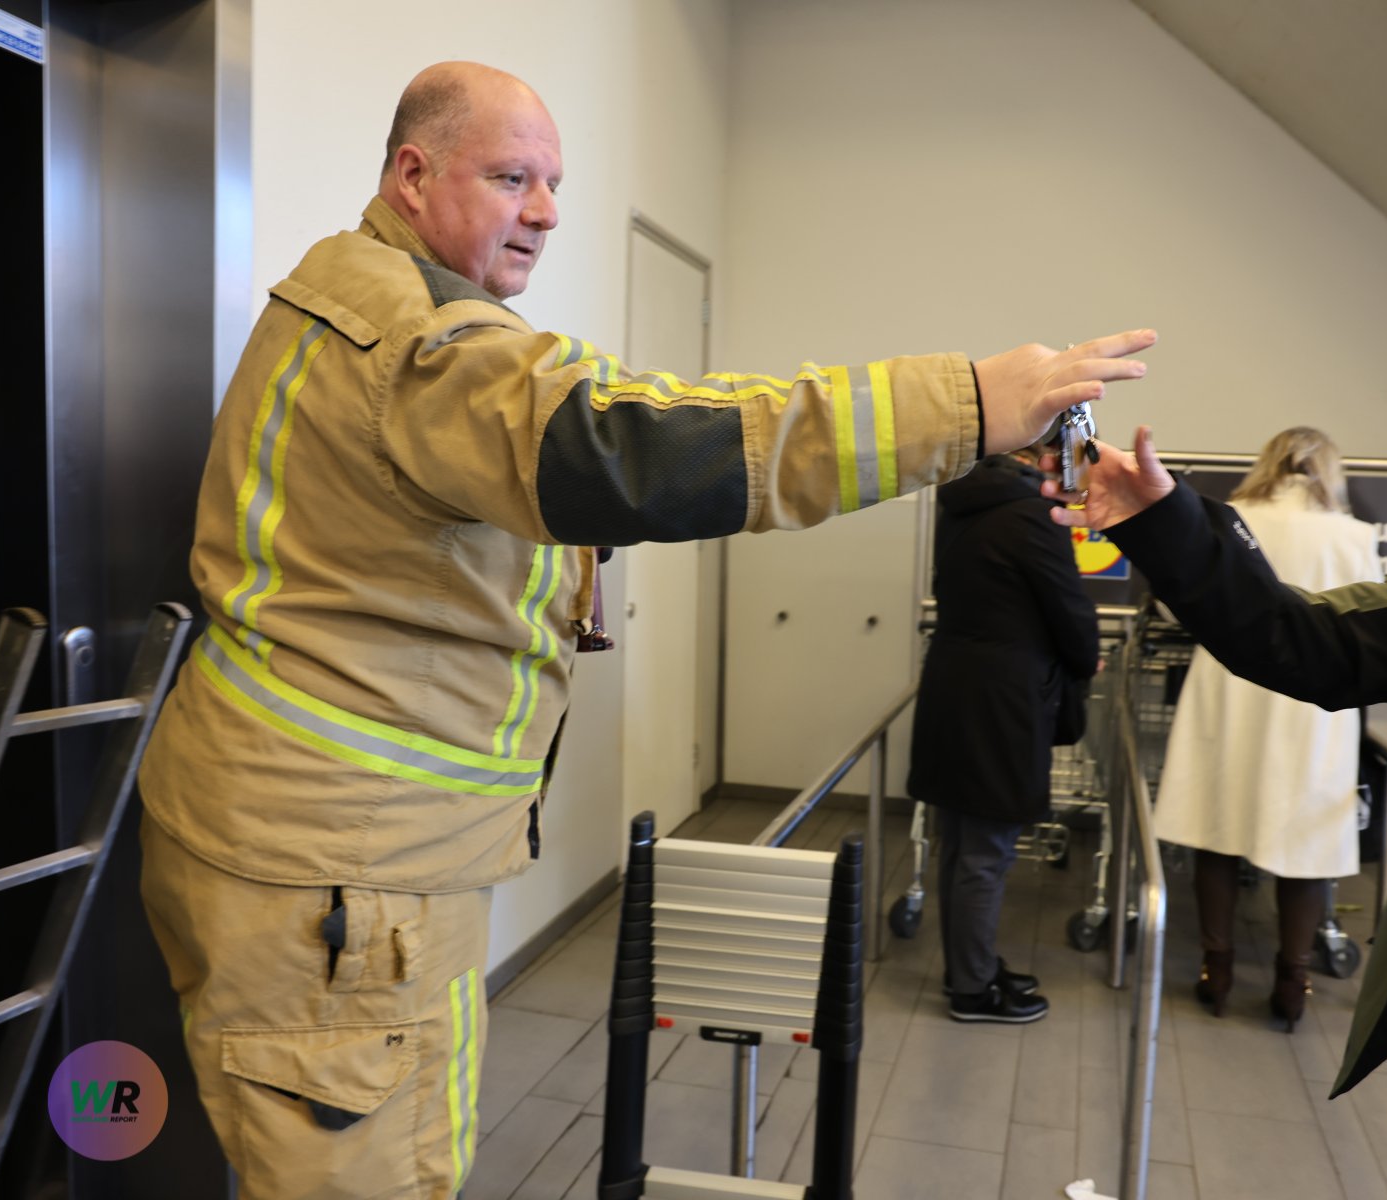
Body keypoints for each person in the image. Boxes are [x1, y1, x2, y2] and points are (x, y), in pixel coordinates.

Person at [134, 59, 1156, 1199]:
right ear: (413, 176)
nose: (546, 211)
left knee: (404, 1140)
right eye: (512, 176)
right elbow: (639, 450)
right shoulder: (420, 339)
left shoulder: (347, 293)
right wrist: (963, 404)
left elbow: (397, 531)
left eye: (554, 182)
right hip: (338, 876)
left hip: (326, 850)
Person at [1050, 298, 1387, 1199]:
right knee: (1296, 855)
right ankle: (1287, 977)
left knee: (1230, 845)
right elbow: (1310, 640)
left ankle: (1226, 967)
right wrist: (1162, 520)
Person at [1151, 427, 1381, 1029]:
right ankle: (1292, 980)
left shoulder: (1232, 519)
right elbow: (1376, 619)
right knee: (1304, 844)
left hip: (1229, 688)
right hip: (1314, 699)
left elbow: (1179, 604)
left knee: (1216, 824)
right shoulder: (1352, 536)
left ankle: (1216, 969)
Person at [907, 450, 1099, 1023]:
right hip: (1004, 698)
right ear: (1045, 458)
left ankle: (971, 968)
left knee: (962, 842)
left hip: (955, 681)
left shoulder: (963, 504)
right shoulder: (1030, 516)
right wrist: (1085, 661)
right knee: (986, 849)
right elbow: (1068, 608)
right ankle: (973, 989)